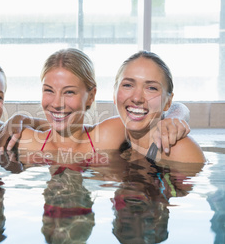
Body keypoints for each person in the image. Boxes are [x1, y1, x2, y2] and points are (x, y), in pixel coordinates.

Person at [16, 48, 190, 164]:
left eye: (69, 92)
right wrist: (22, 119)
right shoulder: (25, 141)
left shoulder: (109, 134)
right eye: (48, 90)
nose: (56, 103)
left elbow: (165, 109)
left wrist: (175, 118)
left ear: (91, 96)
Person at [113, 51, 205, 163]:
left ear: (168, 102)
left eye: (151, 88)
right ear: (114, 94)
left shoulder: (180, 151)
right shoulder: (110, 137)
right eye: (127, 85)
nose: (137, 98)